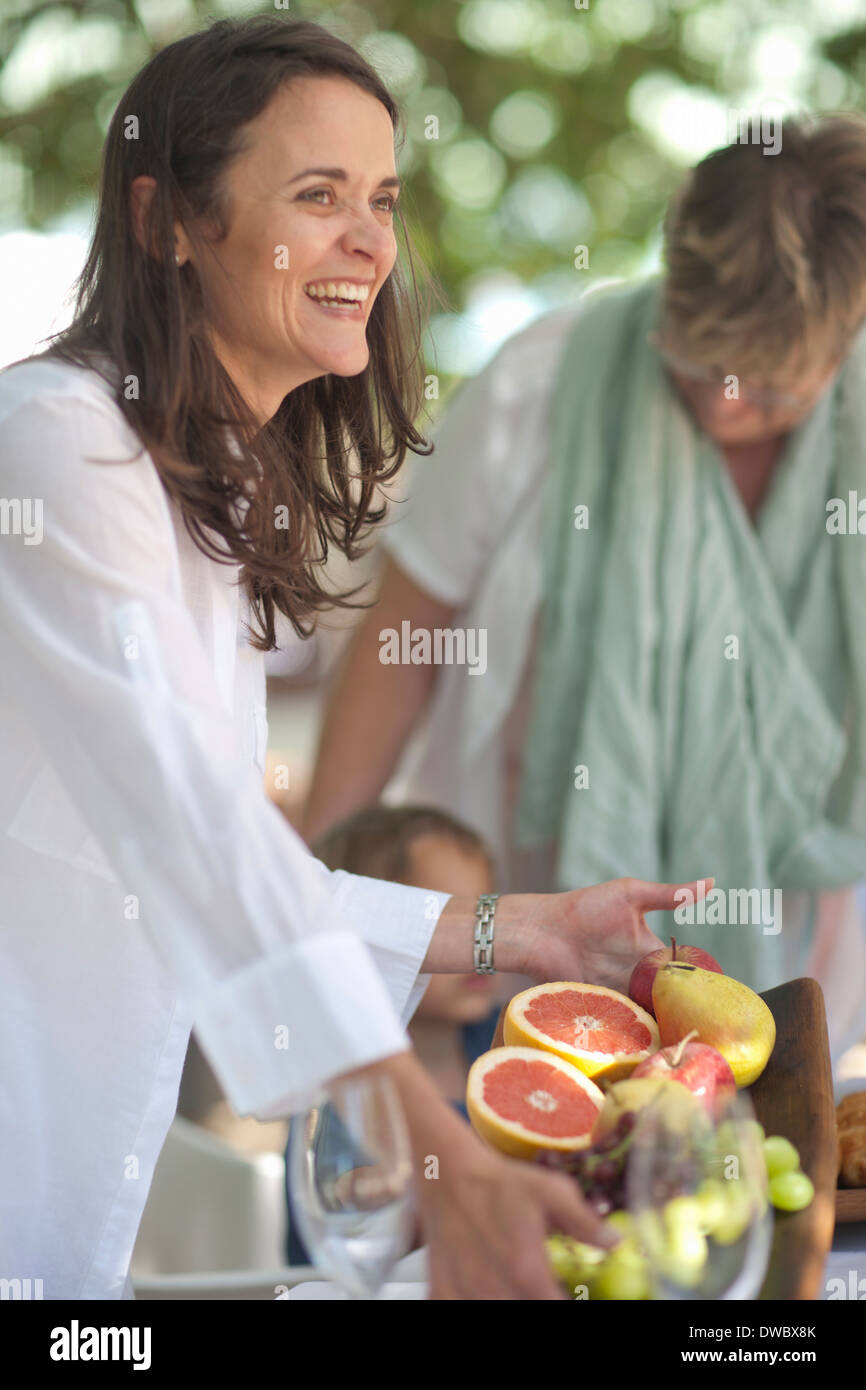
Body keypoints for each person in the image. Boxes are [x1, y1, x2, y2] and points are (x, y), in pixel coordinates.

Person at [0, 15, 702, 1301]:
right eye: (316, 195)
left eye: (380, 198)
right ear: (168, 220)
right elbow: (193, 839)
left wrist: (523, 930)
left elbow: (238, 870)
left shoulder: (198, 508)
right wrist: (440, 1150)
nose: (370, 241)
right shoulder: (56, 448)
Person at [302, 115, 866, 1064]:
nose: (724, 406)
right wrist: (313, 893)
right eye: (695, 363)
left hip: (808, 957)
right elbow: (404, 641)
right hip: (521, 949)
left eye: (767, 387)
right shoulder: (539, 383)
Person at [285, 803, 501, 1264]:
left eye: (486, 917)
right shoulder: (343, 1082)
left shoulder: (501, 1035)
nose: (481, 948)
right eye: (446, 925)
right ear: (375, 945)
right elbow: (343, 1195)